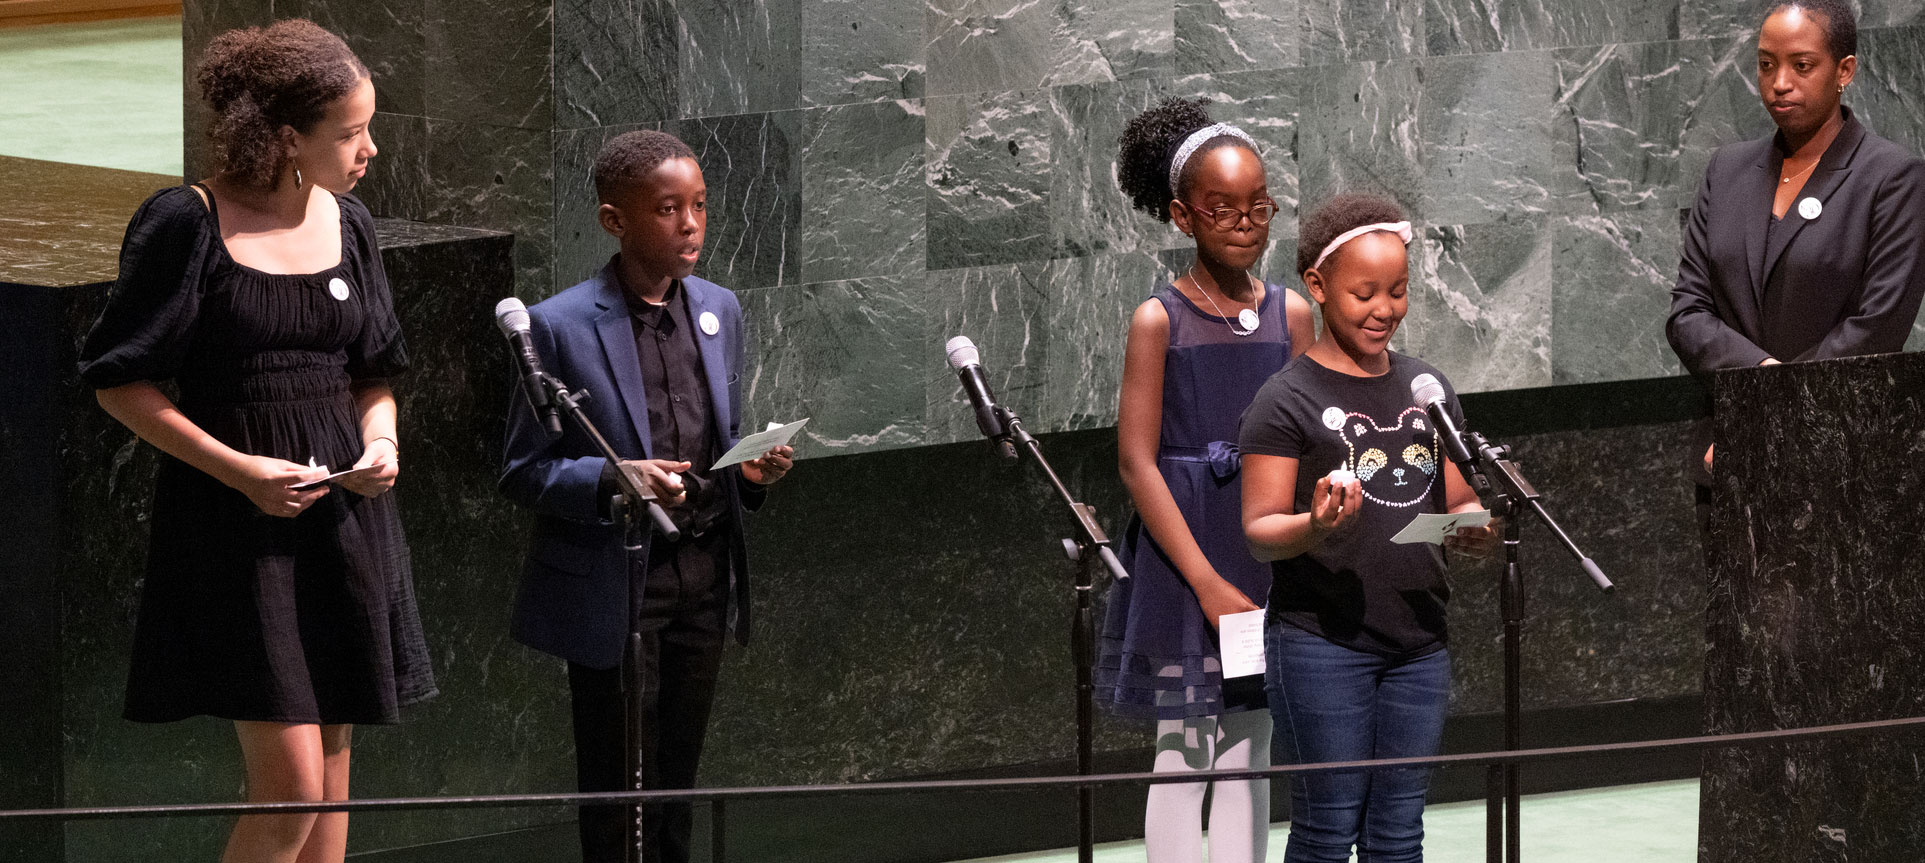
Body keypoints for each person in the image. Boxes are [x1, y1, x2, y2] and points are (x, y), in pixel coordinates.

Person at [76, 19, 433, 863]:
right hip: (238, 526)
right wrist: (240, 472)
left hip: (343, 521)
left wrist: (381, 442)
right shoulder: (187, 221)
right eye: (349, 133)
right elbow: (117, 380)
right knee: (292, 789)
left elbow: (374, 373)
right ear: (286, 137)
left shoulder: (350, 223)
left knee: (334, 778)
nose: (369, 149)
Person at [499, 129, 794, 863]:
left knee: (678, 772)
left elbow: (717, 439)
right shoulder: (559, 325)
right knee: (619, 776)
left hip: (705, 572)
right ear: (615, 220)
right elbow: (522, 470)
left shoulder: (720, 308)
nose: (690, 224)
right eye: (668, 209)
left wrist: (748, 475)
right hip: (619, 577)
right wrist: (612, 477)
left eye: (699, 205)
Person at [1238, 194, 1498, 863]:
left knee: (1398, 833)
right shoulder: (1285, 399)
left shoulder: (1426, 388)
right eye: (1364, 294)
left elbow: (1459, 500)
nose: (1384, 309)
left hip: (1419, 643)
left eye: (1398, 291)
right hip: (1322, 643)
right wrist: (1315, 523)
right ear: (1318, 286)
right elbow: (1259, 530)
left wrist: (1471, 528)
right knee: (1326, 831)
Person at [1096, 96, 1314, 863]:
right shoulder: (1158, 320)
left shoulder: (1292, 314)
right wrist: (1204, 580)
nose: (1244, 224)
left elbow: (1305, 439)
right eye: (1222, 209)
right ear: (1183, 217)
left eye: (1258, 206)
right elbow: (1136, 461)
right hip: (1184, 557)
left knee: (1250, 741)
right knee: (1184, 746)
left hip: (1260, 548)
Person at [1668, 0, 1925, 491]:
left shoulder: (1892, 178)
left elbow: (1877, 326)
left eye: (1801, 65)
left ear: (1844, 70)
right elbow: (1688, 313)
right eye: (1766, 65)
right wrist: (1762, 379)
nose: (1780, 82)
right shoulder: (1726, 170)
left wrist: (1772, 410)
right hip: (1729, 461)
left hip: (1840, 464)